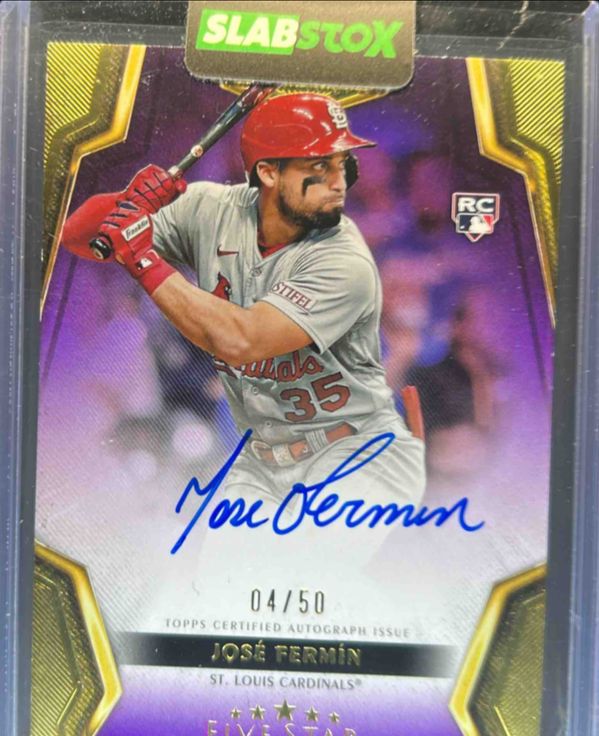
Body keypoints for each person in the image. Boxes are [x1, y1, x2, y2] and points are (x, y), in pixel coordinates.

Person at [62, 93, 425, 528]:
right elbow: (78, 237)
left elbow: (242, 340)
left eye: (341, 164)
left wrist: (142, 257)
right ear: (268, 173)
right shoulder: (213, 208)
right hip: (246, 431)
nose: (339, 182)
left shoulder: (343, 258)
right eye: (319, 166)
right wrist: (130, 202)